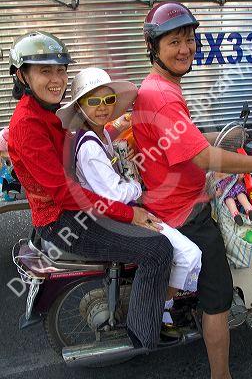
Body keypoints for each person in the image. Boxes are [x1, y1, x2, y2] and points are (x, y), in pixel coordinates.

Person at [132, 1, 252, 378]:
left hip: (167, 197)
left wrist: (228, 141)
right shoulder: (164, 95)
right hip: (184, 212)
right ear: (154, 47)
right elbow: (202, 158)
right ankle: (222, 374)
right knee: (217, 300)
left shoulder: (158, 87)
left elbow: (185, 141)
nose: (185, 48)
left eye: (189, 40)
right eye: (174, 42)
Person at [7, 30, 174, 350]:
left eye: (60, 70)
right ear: (22, 75)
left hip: (74, 208)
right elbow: (65, 194)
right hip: (66, 221)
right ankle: (144, 335)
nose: (56, 79)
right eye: (45, 71)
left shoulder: (43, 112)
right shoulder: (28, 124)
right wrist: (128, 212)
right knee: (158, 249)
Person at [56, 66, 202, 337]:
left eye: (108, 100)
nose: (102, 107)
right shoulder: (89, 147)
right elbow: (113, 193)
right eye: (94, 101)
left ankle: (164, 304)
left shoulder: (95, 134)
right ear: (80, 107)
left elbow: (106, 147)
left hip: (113, 210)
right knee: (191, 254)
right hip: (113, 214)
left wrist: (118, 130)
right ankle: (158, 309)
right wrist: (139, 186)